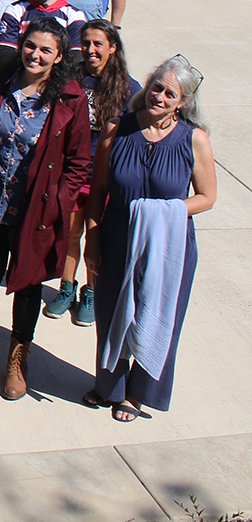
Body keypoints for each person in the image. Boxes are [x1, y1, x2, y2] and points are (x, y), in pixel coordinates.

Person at [0, 18, 92, 399]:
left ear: (59, 56)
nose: (35, 54)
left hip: (36, 211)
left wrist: (60, 197)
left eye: (46, 50)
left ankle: (17, 356)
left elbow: (79, 161)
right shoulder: (1, 83)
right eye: (31, 46)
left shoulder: (70, 99)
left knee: (26, 283)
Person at [83, 56, 216, 422]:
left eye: (170, 93)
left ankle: (139, 394)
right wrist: (91, 242)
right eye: (156, 87)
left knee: (157, 316)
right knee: (110, 314)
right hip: (116, 238)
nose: (159, 96)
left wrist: (163, 212)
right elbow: (98, 191)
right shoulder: (117, 129)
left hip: (169, 245)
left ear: (183, 102)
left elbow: (207, 196)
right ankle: (109, 386)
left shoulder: (194, 139)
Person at [44, 20, 142, 324]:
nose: (90, 50)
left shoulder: (129, 89)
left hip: (105, 178)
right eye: (85, 43)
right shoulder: (71, 80)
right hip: (73, 171)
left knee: (97, 235)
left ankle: (91, 291)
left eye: (98, 43)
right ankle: (67, 288)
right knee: (71, 234)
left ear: (113, 47)